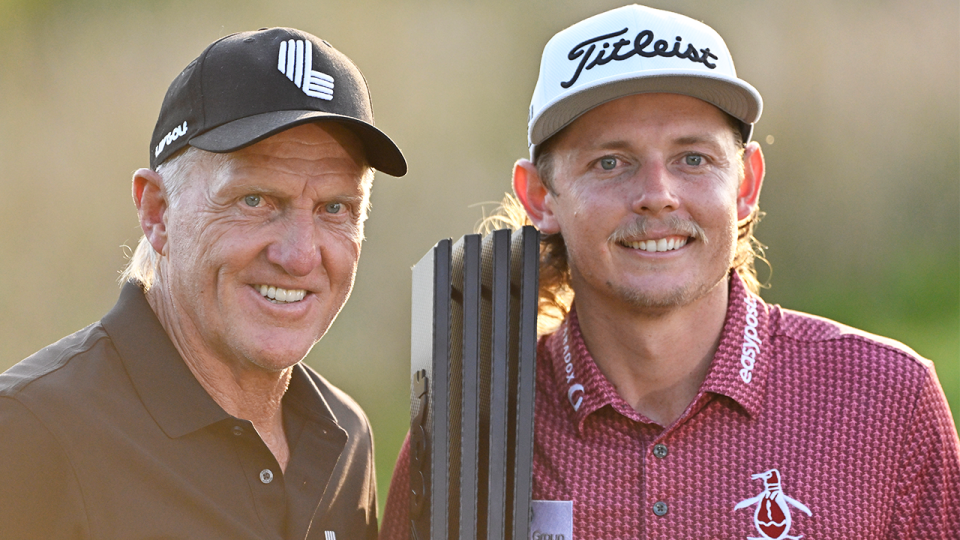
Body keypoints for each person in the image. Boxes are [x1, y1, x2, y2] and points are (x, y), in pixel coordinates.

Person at [380, 5, 959, 539]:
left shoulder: (886, 399)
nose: (657, 195)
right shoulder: (467, 430)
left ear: (747, 183)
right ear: (540, 196)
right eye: (611, 161)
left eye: (693, 159)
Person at [0, 27, 406, 540]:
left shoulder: (345, 438)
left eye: (335, 208)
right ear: (157, 212)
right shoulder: (30, 433)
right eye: (255, 200)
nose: (301, 255)